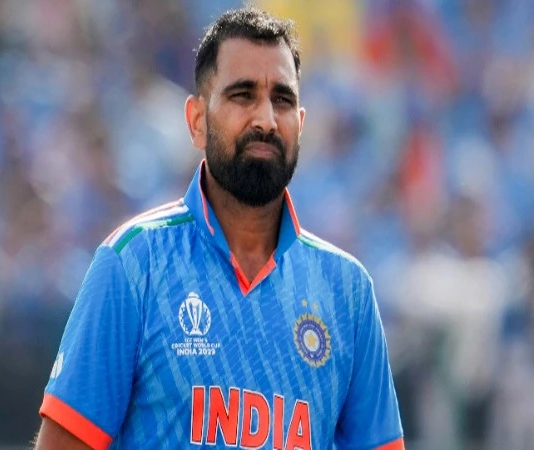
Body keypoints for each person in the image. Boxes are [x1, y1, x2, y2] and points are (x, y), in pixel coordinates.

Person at [34, 7, 404, 450]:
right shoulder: (135, 264)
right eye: (243, 95)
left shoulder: (347, 291)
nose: (266, 119)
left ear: (301, 124)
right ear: (196, 121)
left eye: (282, 100)